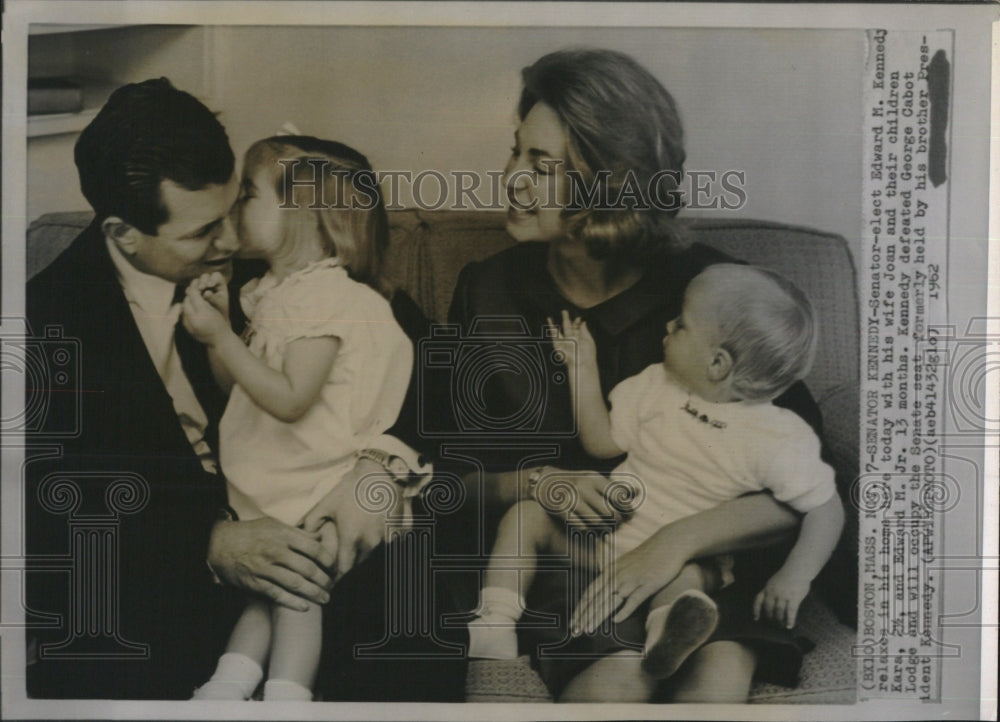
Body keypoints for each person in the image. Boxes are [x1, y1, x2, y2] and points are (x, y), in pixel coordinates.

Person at [433, 48, 841, 702]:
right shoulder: (488, 291)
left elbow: (800, 487)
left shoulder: (711, 295)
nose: (510, 179)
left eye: (541, 164)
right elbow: (447, 481)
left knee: (721, 668)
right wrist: (541, 484)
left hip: (704, 574)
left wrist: (678, 542)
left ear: (610, 183)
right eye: (516, 153)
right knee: (614, 679)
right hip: (569, 565)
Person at [24, 78, 446, 700]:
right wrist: (207, 543)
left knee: (408, 664)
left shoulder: (278, 250)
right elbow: (38, 512)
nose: (226, 244)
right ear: (121, 233)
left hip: (323, 556)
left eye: (232, 211)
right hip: (160, 597)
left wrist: (382, 466)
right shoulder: (45, 321)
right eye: (200, 234)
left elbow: (431, 365)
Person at [467, 265, 845, 699]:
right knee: (527, 515)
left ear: (717, 363)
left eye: (681, 325)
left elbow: (826, 508)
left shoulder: (778, 436)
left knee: (690, 579)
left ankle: (667, 633)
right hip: (603, 540)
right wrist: (581, 368)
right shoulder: (656, 386)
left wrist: (795, 576)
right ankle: (495, 619)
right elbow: (601, 443)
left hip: (685, 566)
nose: (668, 326)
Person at [185, 136, 413, 701]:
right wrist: (221, 331)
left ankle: (287, 694)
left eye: (250, 195)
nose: (235, 205)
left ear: (305, 215)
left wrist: (218, 337)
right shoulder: (273, 295)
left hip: (317, 473)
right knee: (268, 584)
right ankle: (226, 687)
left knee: (295, 590)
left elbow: (290, 399)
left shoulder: (324, 298)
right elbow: (237, 390)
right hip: (275, 468)